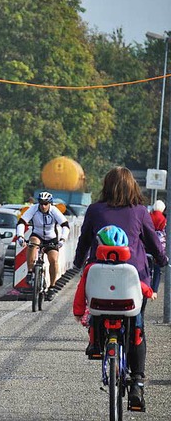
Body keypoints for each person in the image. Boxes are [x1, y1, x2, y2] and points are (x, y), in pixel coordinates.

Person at [73, 166, 167, 412]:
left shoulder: (94, 210)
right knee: (137, 327)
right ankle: (137, 382)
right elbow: (153, 243)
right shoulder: (140, 212)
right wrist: (162, 259)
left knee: (98, 308)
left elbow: (84, 240)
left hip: (100, 280)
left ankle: (96, 343)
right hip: (133, 282)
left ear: (106, 186)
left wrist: (77, 262)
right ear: (132, 187)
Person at [73, 226, 157, 359]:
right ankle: (136, 341)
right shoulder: (129, 269)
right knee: (136, 321)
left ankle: (94, 344)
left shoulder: (91, 268)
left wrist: (78, 311)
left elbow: (81, 290)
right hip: (125, 307)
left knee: (95, 321)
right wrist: (149, 292)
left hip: (99, 306)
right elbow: (137, 285)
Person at [15, 191, 70, 301]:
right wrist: (20, 236)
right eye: (41, 203)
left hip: (51, 238)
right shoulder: (34, 209)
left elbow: (65, 225)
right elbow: (21, 222)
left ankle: (52, 287)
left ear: (50, 203)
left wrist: (63, 239)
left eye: (46, 204)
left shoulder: (54, 211)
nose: (43, 206)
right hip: (37, 234)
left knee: (53, 260)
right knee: (32, 243)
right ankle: (30, 272)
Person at [150, 200, 166, 292]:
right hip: (159, 247)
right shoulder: (163, 219)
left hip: (148, 245)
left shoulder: (149, 216)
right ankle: (155, 289)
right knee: (157, 269)